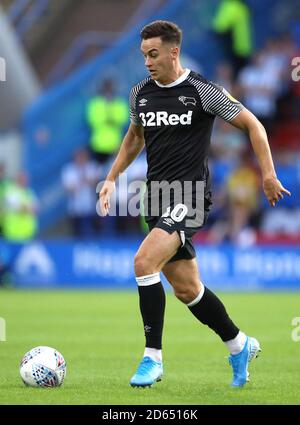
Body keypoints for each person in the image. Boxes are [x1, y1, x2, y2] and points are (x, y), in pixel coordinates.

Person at [99, 20, 291, 388]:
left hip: (189, 196)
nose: (148, 62)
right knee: (188, 289)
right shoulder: (140, 93)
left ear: (173, 51)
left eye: (153, 54)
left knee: (142, 262)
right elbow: (133, 139)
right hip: (154, 199)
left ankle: (152, 358)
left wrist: (267, 173)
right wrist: (111, 178)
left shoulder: (202, 91)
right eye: (144, 56)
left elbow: (254, 125)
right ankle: (239, 344)